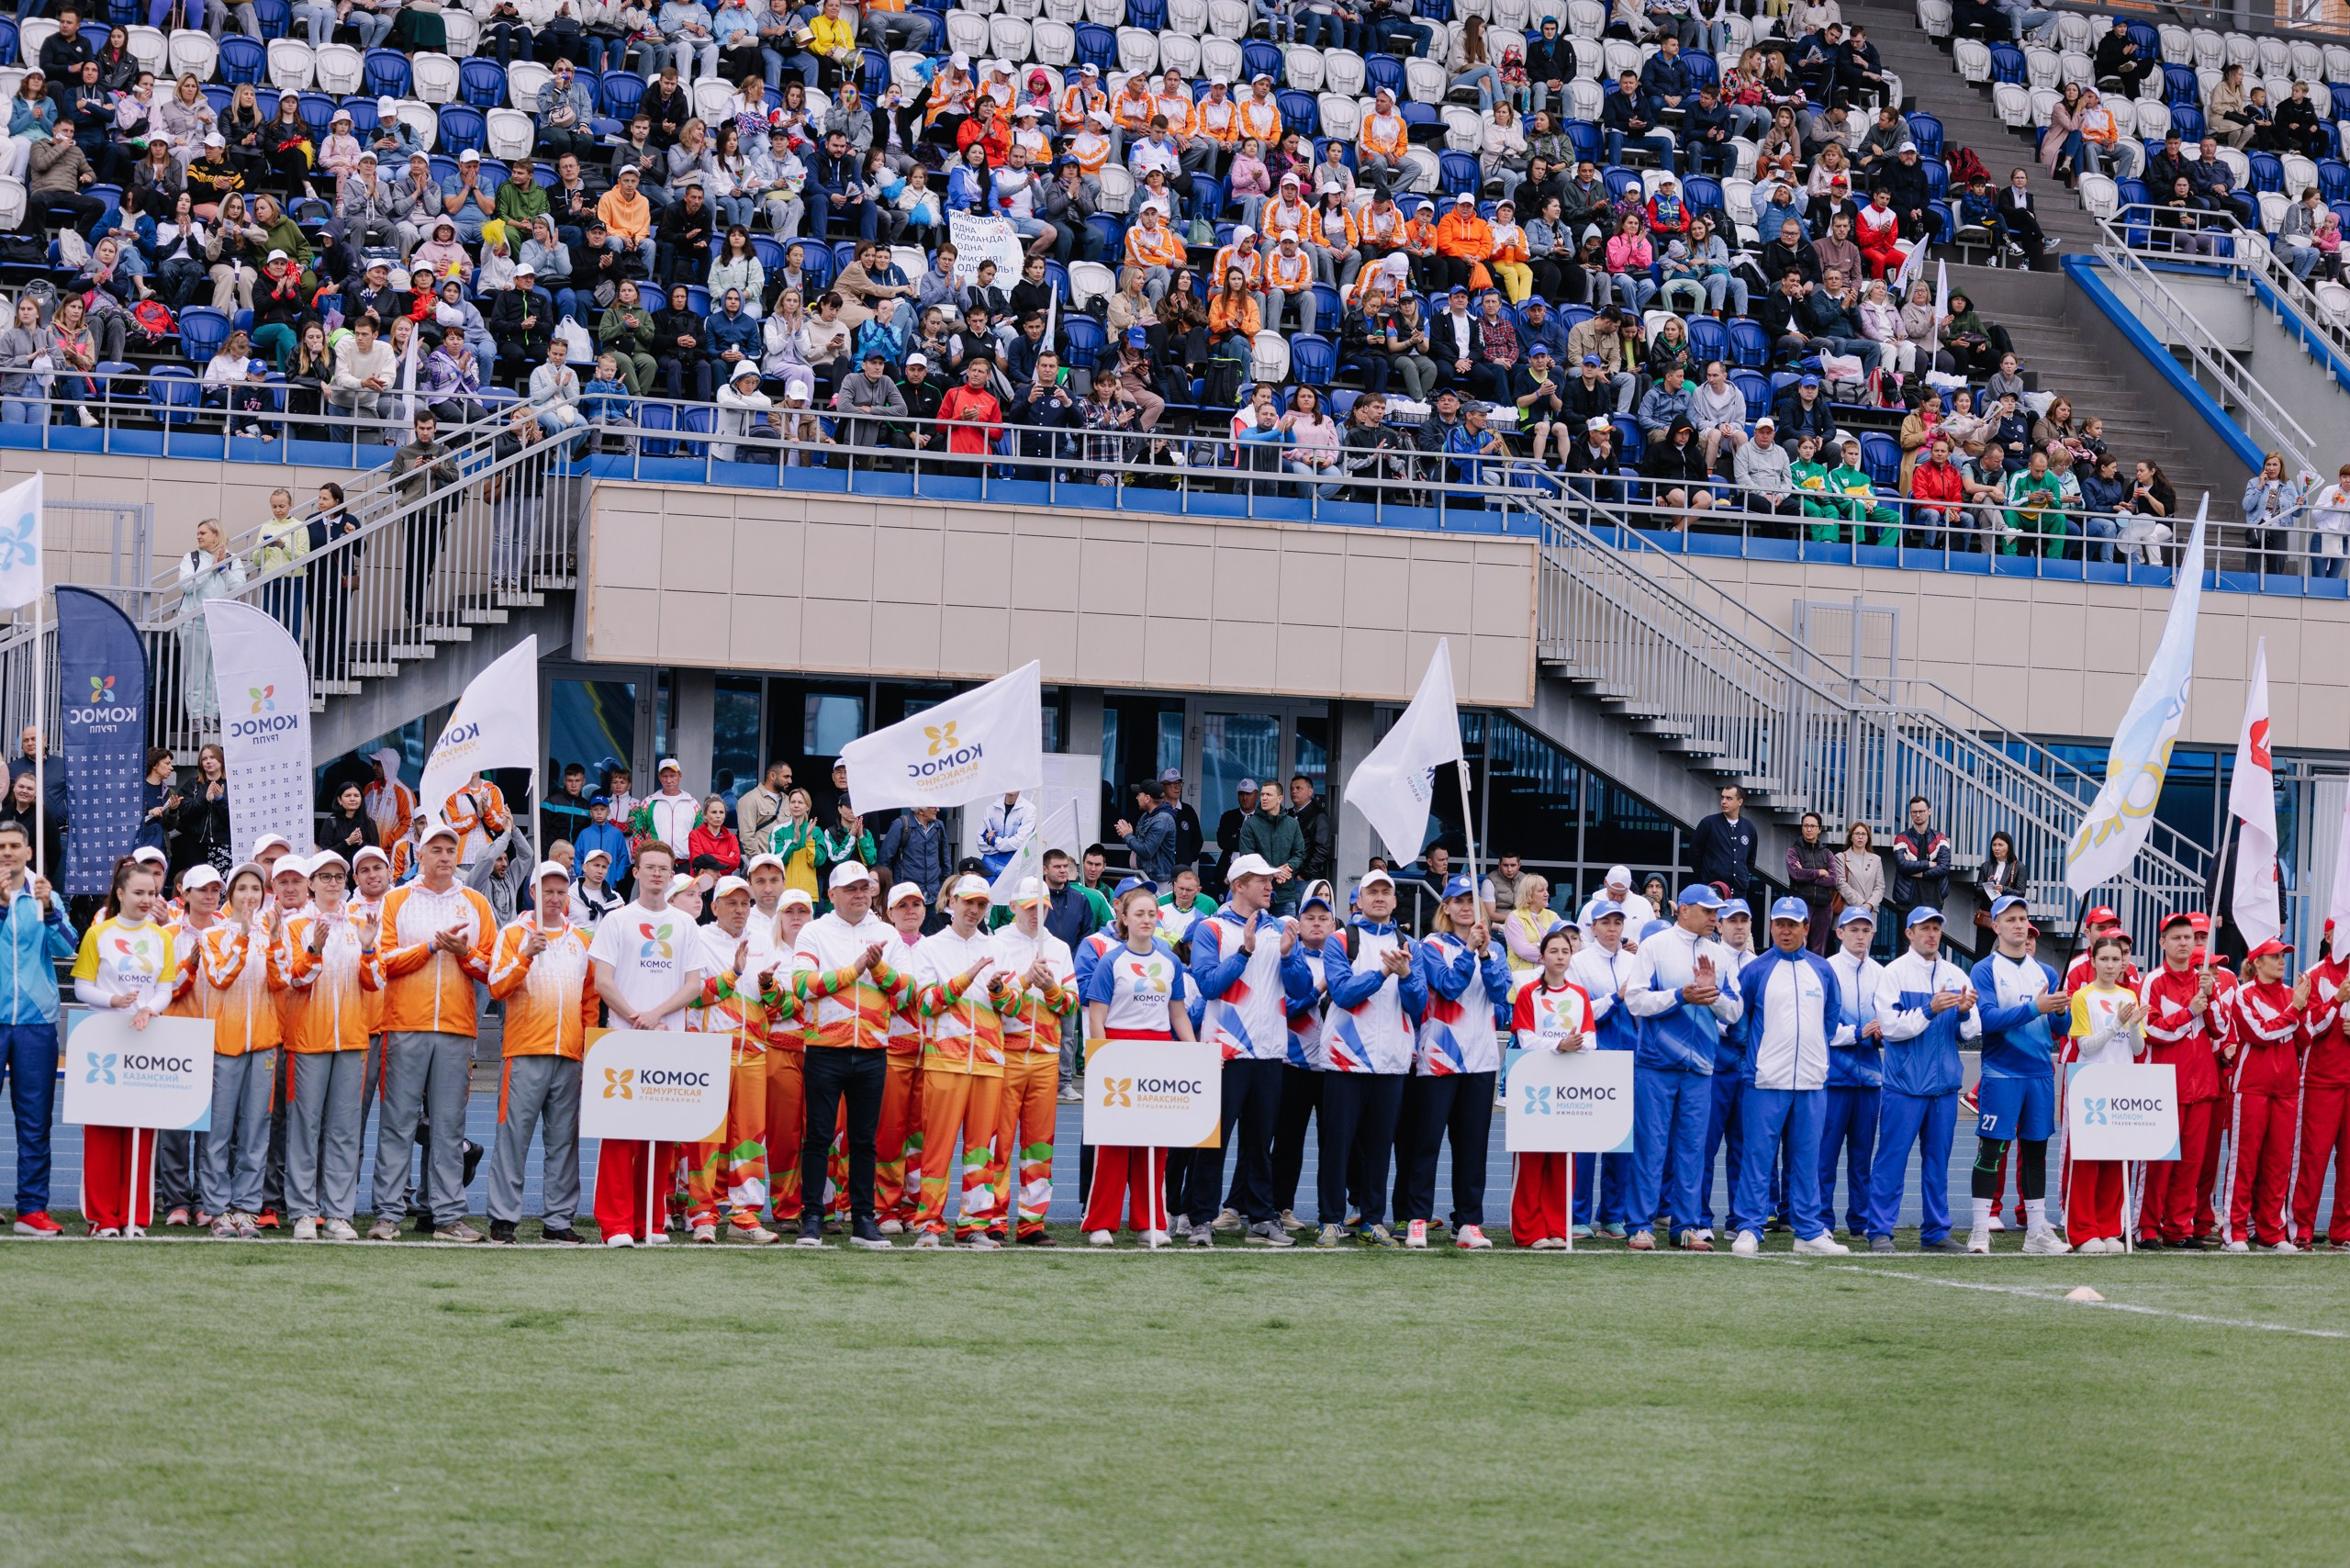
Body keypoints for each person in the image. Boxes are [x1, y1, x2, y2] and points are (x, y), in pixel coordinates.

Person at [367, 823, 494, 1243]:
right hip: (405, 1025)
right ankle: (387, 1214)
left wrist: (465, 954)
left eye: (450, 849)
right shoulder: (396, 900)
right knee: (397, 1123)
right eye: (435, 849)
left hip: (457, 1028)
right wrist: (431, 948)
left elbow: (493, 969)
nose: (443, 855)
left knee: (449, 1127)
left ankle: (448, 1217)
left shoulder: (475, 903)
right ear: (419, 855)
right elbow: (383, 960)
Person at [583, 841, 708, 1246]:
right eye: (649, 867)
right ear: (635, 872)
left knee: (659, 1134)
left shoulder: (686, 925)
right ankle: (616, 1224)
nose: (657, 874)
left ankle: (651, 1222)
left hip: (667, 1040)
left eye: (664, 869)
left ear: (672, 876)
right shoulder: (617, 921)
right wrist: (639, 1017)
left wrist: (657, 1016)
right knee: (620, 1136)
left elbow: (694, 985)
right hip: (624, 1040)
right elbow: (603, 981)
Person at [1299, 868, 1424, 1248]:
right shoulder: (1340, 940)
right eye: (1373, 892)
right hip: (1345, 1059)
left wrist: (1404, 977)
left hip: (1391, 1062)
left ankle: (1372, 1220)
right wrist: (1385, 971)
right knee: (1337, 1145)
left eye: (1386, 892)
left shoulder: (1410, 945)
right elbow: (1343, 992)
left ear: (1394, 900)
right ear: (1359, 899)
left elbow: (1417, 1004)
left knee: (1378, 1147)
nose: (1380, 898)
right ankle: (1330, 1219)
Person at [788, 859, 905, 1249]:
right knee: (818, 1137)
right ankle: (813, 1218)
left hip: (872, 1050)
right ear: (833, 894)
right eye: (850, 889)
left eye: (864, 889)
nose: (859, 895)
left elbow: (907, 992)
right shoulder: (814, 932)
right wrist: (856, 970)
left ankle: (863, 1220)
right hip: (825, 1049)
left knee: (864, 1140)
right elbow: (802, 985)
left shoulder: (887, 933)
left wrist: (879, 970)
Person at [1725, 900, 1852, 1256]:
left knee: (1807, 1159)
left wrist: (1816, 1056)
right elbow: (1740, 1022)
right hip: (1765, 1081)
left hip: (1811, 1082)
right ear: (1770, 927)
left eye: (1792, 925)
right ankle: (1749, 1227)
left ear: (1806, 928)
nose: (1785, 931)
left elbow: (1830, 1017)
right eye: (1779, 924)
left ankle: (1808, 1230)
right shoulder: (1756, 970)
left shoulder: (1823, 970)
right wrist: (1758, 1054)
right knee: (1757, 1157)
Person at [1621, 885, 1740, 1250]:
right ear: (1683, 910)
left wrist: (1713, 995)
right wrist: (1680, 996)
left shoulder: (1720, 955)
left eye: (1716, 911)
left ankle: (1685, 1227)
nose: (1714, 917)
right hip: (1656, 1064)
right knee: (1651, 1147)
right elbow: (1635, 1000)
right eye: (1707, 911)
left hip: (1701, 1067)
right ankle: (1640, 1225)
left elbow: (1735, 1012)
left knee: (1692, 1149)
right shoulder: (1655, 947)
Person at [1184, 854, 1294, 1247]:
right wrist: (1244, 952)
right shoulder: (1209, 928)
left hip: (1269, 1052)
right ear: (1238, 885)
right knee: (1211, 1141)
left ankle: (1262, 1219)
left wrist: (1288, 955)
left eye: (1270, 879)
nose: (1270, 886)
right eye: (1261, 880)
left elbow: (1297, 988)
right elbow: (1209, 985)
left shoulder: (1279, 928)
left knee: (1259, 1143)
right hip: (1225, 1054)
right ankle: (1200, 1220)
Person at [484, 858, 595, 1246]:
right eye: (547, 891)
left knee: (564, 1141)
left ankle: (558, 1220)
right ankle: (502, 1218)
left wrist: (586, 1046)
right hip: (524, 1049)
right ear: (532, 892)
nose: (554, 897)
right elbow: (495, 987)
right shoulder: (514, 933)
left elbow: (590, 999)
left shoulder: (582, 940)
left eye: (561, 892)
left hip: (569, 1053)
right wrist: (525, 955)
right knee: (513, 1136)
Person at [1394, 875, 1507, 1249]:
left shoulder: (1496, 948)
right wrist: (1469, 951)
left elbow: (1499, 992)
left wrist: (1486, 953)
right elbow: (1447, 986)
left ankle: (1469, 1221)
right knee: (1426, 1144)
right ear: (1445, 907)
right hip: (1439, 1057)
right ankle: (1416, 1218)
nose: (1464, 907)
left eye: (1471, 901)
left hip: (1480, 1058)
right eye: (1457, 901)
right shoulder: (1431, 945)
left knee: (1472, 1146)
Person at [1081, 881, 1193, 1246]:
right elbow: (1096, 1015)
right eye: (1138, 914)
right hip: (1117, 1051)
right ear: (1124, 918)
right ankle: (1101, 1222)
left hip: (1158, 1053)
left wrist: (1194, 1054)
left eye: (1151, 914)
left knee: (1154, 1143)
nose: (1146, 919)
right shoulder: (1111, 961)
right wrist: (1099, 1060)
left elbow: (1178, 1015)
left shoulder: (1170, 962)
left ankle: (1150, 1222)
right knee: (1112, 1142)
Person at [69, 856, 173, 1237]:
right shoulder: (100, 933)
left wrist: (148, 1009)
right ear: (120, 893)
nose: (147, 899)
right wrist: (111, 1001)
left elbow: (165, 989)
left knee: (141, 1131)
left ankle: (135, 1217)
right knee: (101, 1129)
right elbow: (81, 986)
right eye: (139, 893)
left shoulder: (162, 937)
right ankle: (103, 1218)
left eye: (152, 892)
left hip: (146, 1037)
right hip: (103, 1038)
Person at [1866, 908, 1977, 1254]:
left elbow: (1973, 1031)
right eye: (1924, 928)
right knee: (1891, 1160)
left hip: (1943, 1087)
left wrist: (1962, 1012)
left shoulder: (1957, 973)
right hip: (1904, 1086)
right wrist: (1929, 1010)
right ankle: (1880, 1231)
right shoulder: (1893, 974)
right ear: (1909, 933)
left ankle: (1936, 1231)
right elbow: (1891, 1028)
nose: (1931, 934)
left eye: (1936, 928)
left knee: (1937, 1164)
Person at [907, 872, 1009, 1248]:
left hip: (988, 1061)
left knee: (981, 1149)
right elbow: (925, 1003)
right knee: (937, 1147)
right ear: (952, 902)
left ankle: (972, 1225)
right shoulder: (929, 948)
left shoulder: (997, 946)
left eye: (982, 904)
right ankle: (929, 1224)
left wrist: (999, 992)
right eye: (969, 902)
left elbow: (1011, 1009)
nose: (975, 910)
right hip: (945, 1061)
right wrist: (966, 978)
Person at [1964, 895, 2070, 1255]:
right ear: (1995, 926)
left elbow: (2062, 1027)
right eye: (2010, 919)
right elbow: (1988, 1021)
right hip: (2001, 1074)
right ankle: (1980, 1229)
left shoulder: (2047, 972)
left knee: (2036, 1152)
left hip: (2039, 1074)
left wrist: (2058, 1011)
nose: (2019, 925)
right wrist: (2034, 1008)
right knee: (1991, 1151)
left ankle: (2037, 1231)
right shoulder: (1984, 969)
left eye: (2023, 918)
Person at [986, 873, 1076, 1246]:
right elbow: (995, 1002)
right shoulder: (997, 944)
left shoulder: (1059, 947)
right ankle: (991, 1217)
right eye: (1029, 908)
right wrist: (1025, 981)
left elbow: (1070, 1006)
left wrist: (1050, 987)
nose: (1036, 914)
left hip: (1045, 1056)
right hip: (1006, 1052)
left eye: (1042, 907)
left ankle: (1032, 1223)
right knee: (1000, 1142)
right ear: (1013, 908)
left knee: (1039, 1145)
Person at [199, 861, 286, 1238]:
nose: (250, 896)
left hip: (264, 1043)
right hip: (225, 1045)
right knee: (218, 1132)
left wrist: (277, 939)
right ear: (230, 895)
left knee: (256, 1131)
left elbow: (282, 981)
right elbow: (219, 979)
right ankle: (217, 1209)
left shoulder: (270, 934)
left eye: (256, 889)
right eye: (242, 889)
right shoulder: (213, 935)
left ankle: (246, 1208)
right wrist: (243, 937)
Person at [1505, 925, 1591, 1250]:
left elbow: (1590, 1039)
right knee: (1530, 1161)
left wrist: (1572, 1046)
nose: (1560, 956)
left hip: (1568, 1086)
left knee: (1562, 1160)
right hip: (1534, 1086)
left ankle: (1557, 1228)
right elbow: (1524, 1038)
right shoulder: (1529, 993)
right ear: (1541, 956)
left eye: (1565, 951)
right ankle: (1528, 1231)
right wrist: (1560, 1046)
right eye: (1553, 951)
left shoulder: (1579, 995)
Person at [2221, 936, 2303, 1253]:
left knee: (2278, 1163)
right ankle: (2236, 1231)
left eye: (2283, 956)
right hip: (2252, 1086)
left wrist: (2316, 1007)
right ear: (2258, 963)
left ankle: (2272, 1231)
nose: (2282, 961)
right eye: (2275, 956)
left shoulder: (2289, 994)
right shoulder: (2245, 994)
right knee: (2245, 1161)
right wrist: (2295, 1011)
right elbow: (2261, 1033)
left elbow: (2305, 1036)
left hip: (2286, 1088)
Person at [2291, 927, 2350, 1249]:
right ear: (2329, 936)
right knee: (2312, 1160)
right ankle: (2301, 1230)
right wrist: (2337, 1001)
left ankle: (2343, 1232)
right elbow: (2306, 1030)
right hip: (2321, 1080)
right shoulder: (2314, 976)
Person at [1889, 797, 1949, 935]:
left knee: (1931, 943)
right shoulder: (1901, 838)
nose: (1918, 815)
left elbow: (1944, 868)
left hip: (1934, 899)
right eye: (1914, 812)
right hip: (1907, 900)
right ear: (1910, 813)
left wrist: (1919, 872)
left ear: (1929, 811)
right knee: (1905, 946)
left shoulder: (1940, 838)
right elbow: (1902, 866)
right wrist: (1929, 864)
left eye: (1921, 811)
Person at [1690, 784, 1757, 898]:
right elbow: (1694, 853)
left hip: (1739, 891)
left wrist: (1743, 875)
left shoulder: (1749, 827)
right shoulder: (1708, 823)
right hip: (1714, 890)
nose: (1723, 802)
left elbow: (1750, 859)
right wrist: (1706, 876)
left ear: (1740, 802)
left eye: (1729, 798)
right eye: (1722, 798)